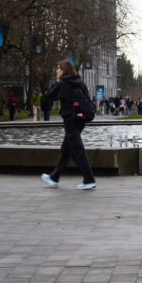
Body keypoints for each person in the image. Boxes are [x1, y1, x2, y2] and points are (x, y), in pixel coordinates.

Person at [40, 60, 96, 190]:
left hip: (70, 119)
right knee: (67, 148)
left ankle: (89, 179)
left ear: (64, 71)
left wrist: (56, 83)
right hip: (81, 119)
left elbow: (47, 98)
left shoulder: (63, 84)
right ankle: (54, 177)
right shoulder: (79, 82)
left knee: (77, 149)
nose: (57, 71)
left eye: (59, 68)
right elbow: (87, 99)